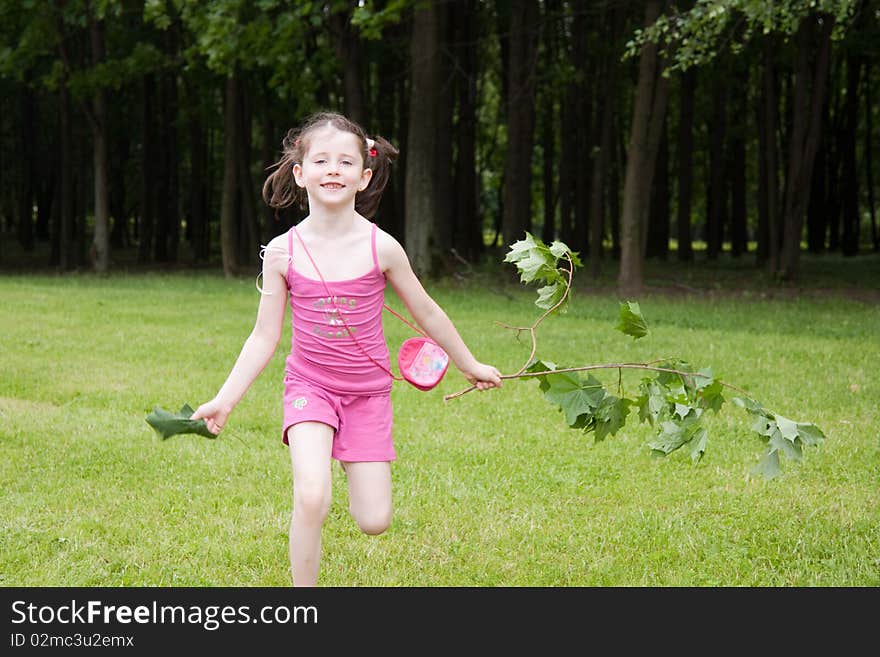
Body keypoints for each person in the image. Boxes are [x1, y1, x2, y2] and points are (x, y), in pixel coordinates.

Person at [192, 111, 502, 586]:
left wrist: (469, 363)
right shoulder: (281, 252)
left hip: (368, 395)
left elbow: (429, 312)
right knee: (312, 495)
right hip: (309, 388)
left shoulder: (383, 248)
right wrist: (225, 399)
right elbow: (263, 336)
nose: (332, 169)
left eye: (345, 161)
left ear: (364, 176)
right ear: (300, 174)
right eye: (320, 160)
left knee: (373, 520)